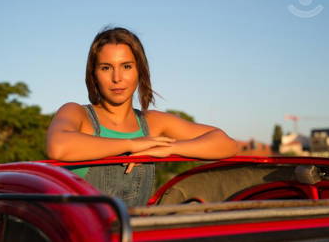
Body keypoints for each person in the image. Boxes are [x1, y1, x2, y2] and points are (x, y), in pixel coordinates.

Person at [46, 27, 237, 206]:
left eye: (126, 66)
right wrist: (132, 144)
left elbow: (226, 143)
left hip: (136, 234)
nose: (117, 78)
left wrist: (168, 148)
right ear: (94, 74)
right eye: (106, 68)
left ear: (140, 70)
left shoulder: (153, 122)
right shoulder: (77, 113)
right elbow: (58, 147)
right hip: (83, 235)